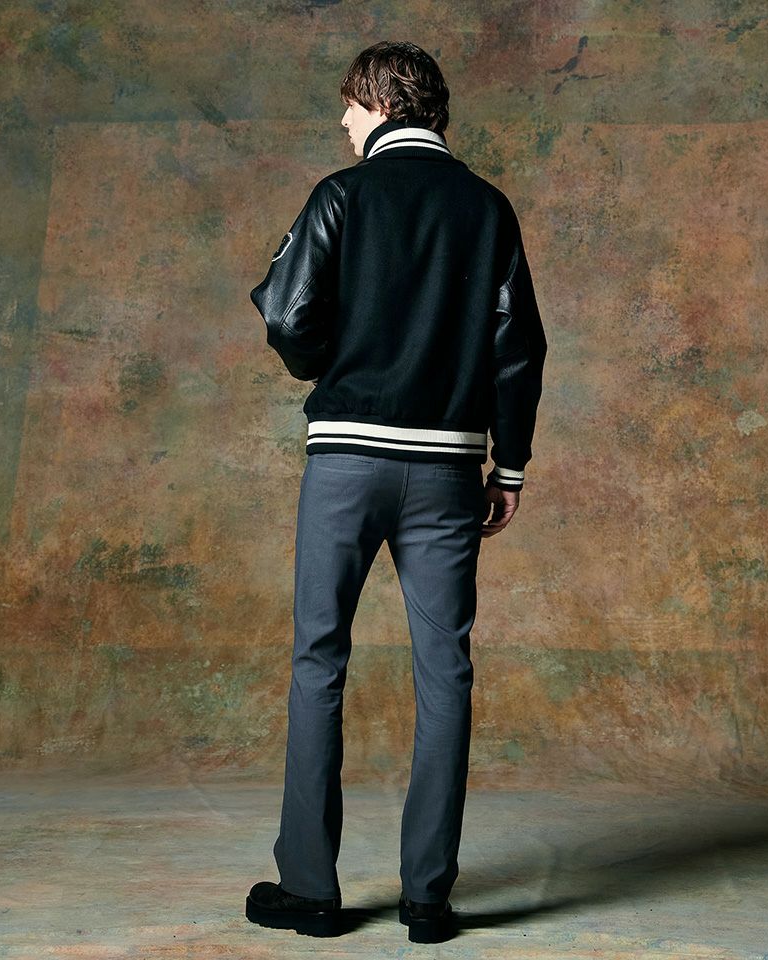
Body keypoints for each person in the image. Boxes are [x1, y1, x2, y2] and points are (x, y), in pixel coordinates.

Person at [244, 40, 547, 944]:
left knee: (318, 660)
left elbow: (287, 316)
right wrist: (509, 468)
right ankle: (428, 899)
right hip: (449, 470)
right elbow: (519, 349)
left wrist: (326, 361)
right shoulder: (488, 208)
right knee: (445, 669)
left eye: (349, 103)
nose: (343, 119)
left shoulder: (341, 196)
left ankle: (311, 890)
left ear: (382, 102)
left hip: (346, 462)